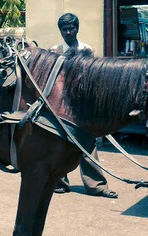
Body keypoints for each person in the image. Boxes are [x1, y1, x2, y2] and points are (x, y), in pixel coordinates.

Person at [50, 13, 118, 199]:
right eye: (64, 29)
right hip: (61, 103)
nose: (68, 32)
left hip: (82, 103)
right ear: (61, 31)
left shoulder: (86, 50)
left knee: (88, 140)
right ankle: (58, 182)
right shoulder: (55, 50)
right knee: (59, 141)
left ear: (77, 28)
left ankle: (96, 186)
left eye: (71, 28)